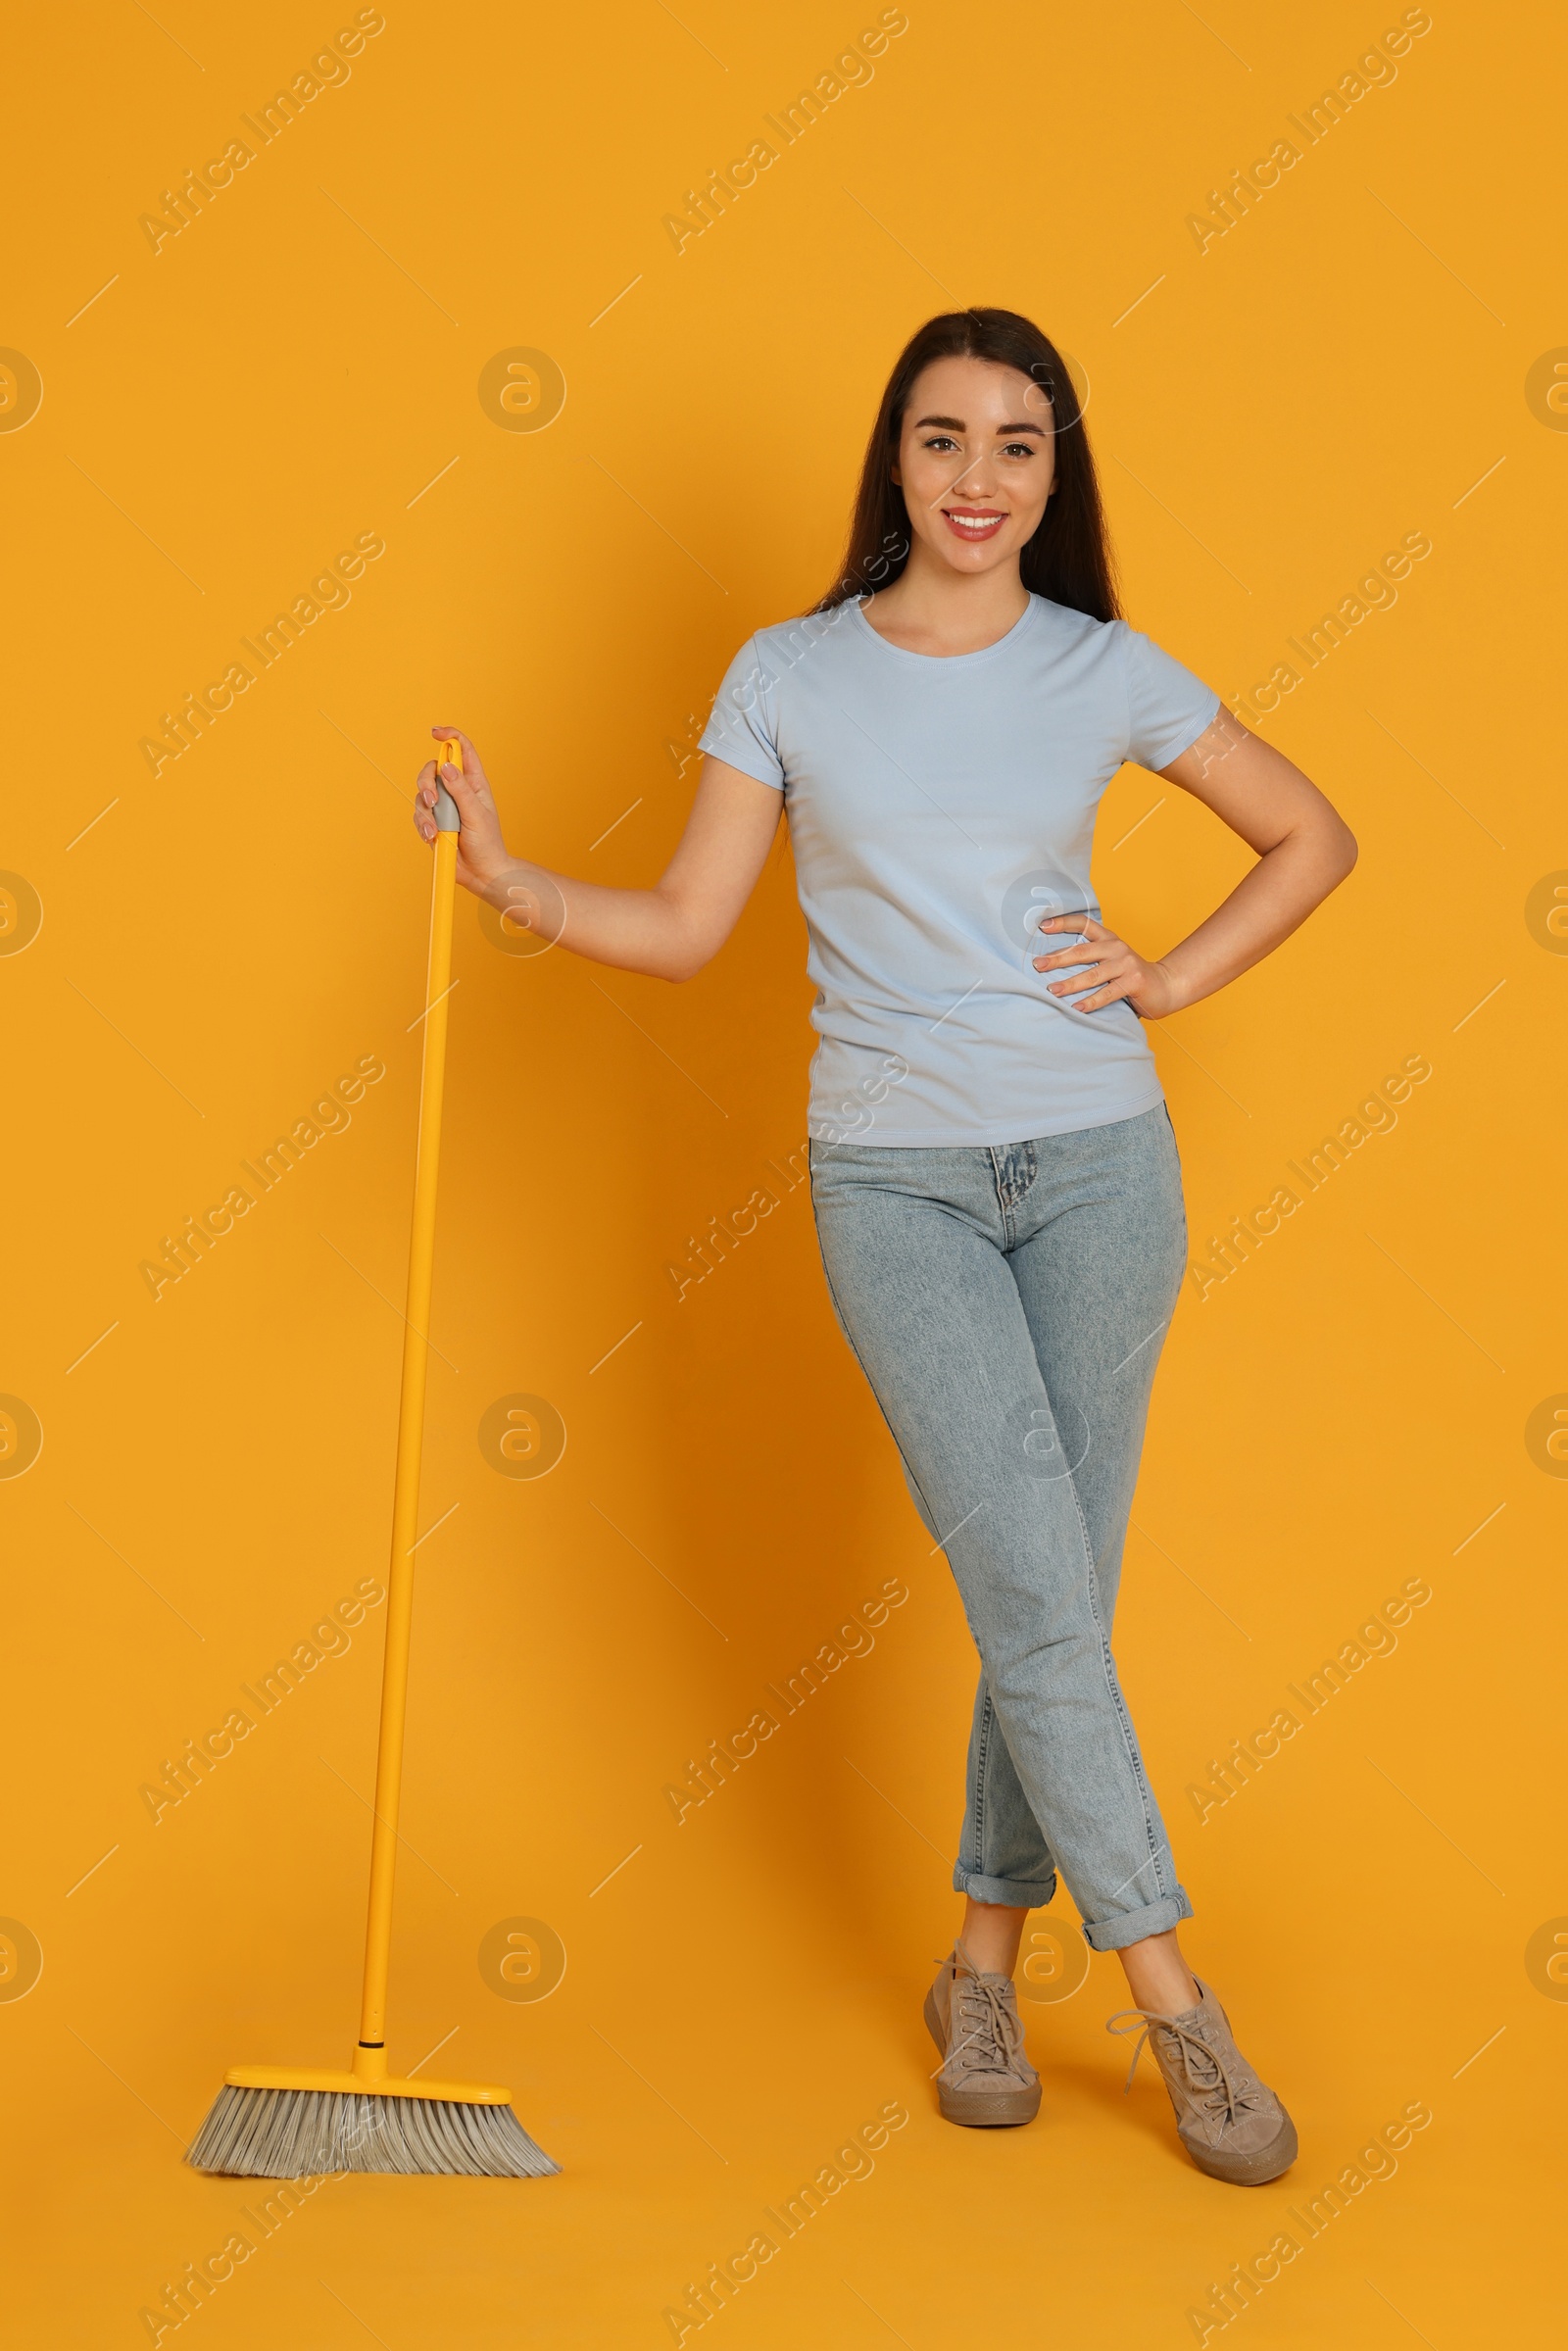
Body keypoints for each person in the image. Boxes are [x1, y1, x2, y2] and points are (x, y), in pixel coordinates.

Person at [413, 307, 1355, 2185]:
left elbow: (1311, 837)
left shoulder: (1103, 667)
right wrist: (516, 889)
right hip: (896, 1182)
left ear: (1053, 472)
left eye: (1020, 445)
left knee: (1049, 1601)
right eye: (945, 440)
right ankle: (1177, 2002)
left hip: (1100, 1163)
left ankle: (984, 1968)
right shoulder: (789, 673)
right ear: (895, 461)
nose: (981, 481)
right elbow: (689, 928)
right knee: (1036, 1582)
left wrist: (1162, 978)